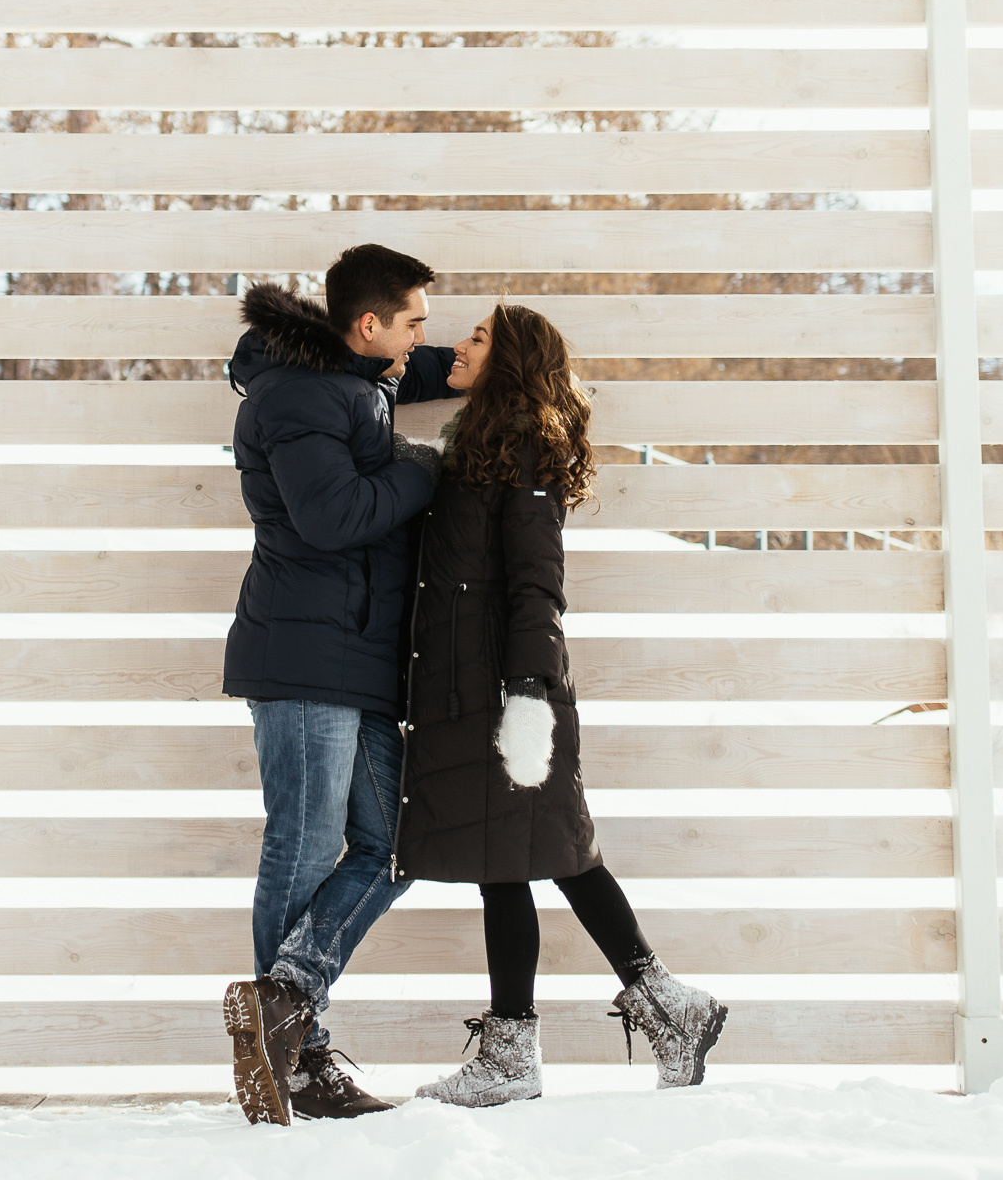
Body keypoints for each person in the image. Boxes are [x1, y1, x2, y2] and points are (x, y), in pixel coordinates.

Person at [395, 305, 727, 1107]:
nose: (455, 350)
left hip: (508, 691)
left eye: (474, 339)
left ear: (507, 360)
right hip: (473, 686)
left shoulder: (523, 449)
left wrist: (529, 694)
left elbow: (538, 584)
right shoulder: (484, 443)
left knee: (534, 857)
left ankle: (525, 1048)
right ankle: (657, 1010)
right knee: (522, 858)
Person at [219, 244, 455, 1126]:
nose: (423, 341)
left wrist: (498, 361)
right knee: (304, 843)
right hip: (305, 656)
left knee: (396, 841)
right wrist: (424, 468)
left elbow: (422, 372)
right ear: (369, 326)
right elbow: (332, 517)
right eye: (414, 322)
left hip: (354, 658)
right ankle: (297, 1058)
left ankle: (284, 1001)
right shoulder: (300, 395)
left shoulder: (355, 380)